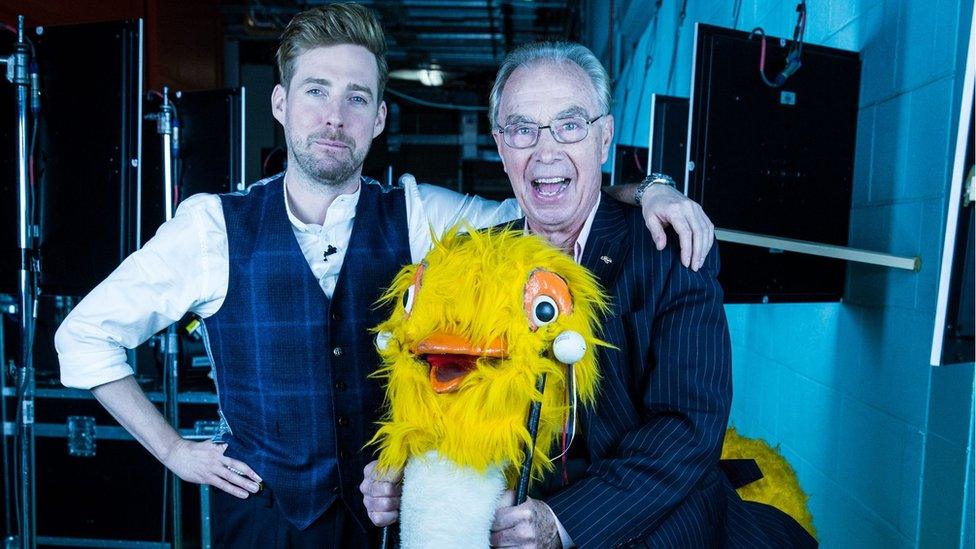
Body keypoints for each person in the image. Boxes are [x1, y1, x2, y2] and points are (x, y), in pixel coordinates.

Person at [55, 4, 715, 548]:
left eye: (357, 97)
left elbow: (548, 202)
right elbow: (81, 341)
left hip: (382, 528)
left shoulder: (421, 214)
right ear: (282, 103)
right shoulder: (210, 228)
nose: (334, 117)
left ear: (379, 116)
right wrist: (174, 451)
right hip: (264, 529)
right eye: (316, 92)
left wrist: (651, 189)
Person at [361, 41, 817, 548]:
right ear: (500, 145)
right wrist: (400, 472)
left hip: (653, 528)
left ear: (603, 140)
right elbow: (439, 406)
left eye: (570, 125)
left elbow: (688, 426)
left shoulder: (669, 250)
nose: (546, 150)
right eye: (522, 129)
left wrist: (563, 523)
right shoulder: (466, 263)